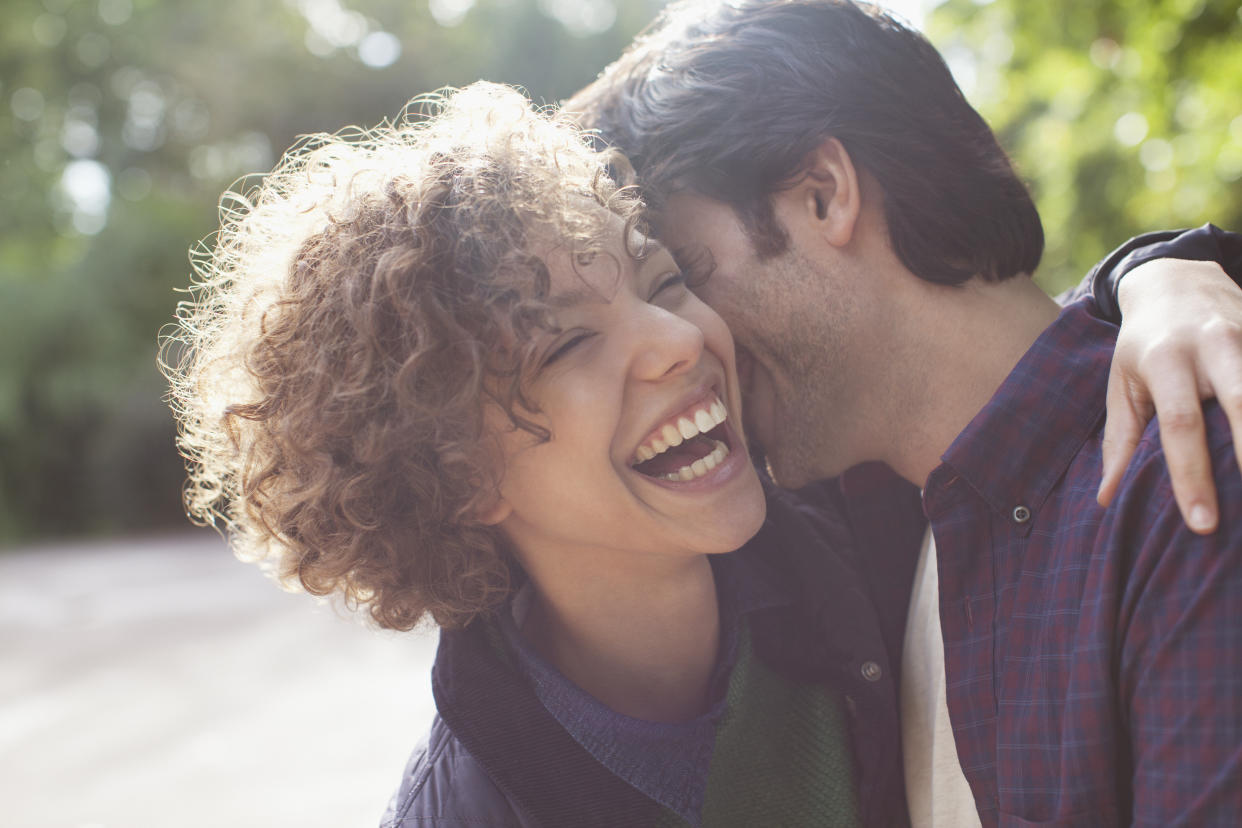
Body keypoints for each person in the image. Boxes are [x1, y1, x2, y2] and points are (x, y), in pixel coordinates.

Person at [567, 1, 1242, 825]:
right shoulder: (861, 530)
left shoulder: (1190, 474)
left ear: (823, 195)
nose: (687, 344)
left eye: (686, 278)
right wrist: (1157, 267)